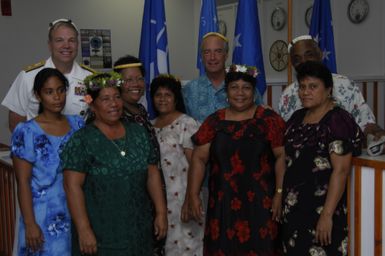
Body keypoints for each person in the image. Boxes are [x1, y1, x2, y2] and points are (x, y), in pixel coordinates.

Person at [61, 72, 167, 255]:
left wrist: (161, 212)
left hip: (138, 229)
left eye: (117, 97)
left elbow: (152, 173)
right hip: (101, 233)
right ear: (92, 104)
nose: (114, 104)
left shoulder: (138, 133)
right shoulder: (82, 140)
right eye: (105, 99)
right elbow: (72, 187)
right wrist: (84, 229)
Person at [187, 64, 286, 255]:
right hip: (223, 206)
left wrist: (279, 193)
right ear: (227, 91)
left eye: (246, 88)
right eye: (234, 87)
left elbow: (282, 156)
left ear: (254, 91)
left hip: (261, 204)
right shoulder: (214, 121)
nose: (240, 93)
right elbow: (199, 159)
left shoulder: (269, 120)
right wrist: (193, 193)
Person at [281, 61, 363, 255]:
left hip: (322, 212)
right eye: (302, 87)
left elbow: (341, 170)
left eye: (313, 86)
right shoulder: (296, 117)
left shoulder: (338, 121)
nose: (305, 92)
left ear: (328, 90)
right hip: (293, 211)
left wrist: (326, 216)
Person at [11, 68, 84, 255]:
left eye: (61, 90)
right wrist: (30, 223)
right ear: (38, 95)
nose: (57, 97)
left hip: (75, 209)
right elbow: (23, 182)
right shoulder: (26, 131)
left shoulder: (78, 124)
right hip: (41, 216)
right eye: (49, 92)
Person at [278, 35, 385, 142]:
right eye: (297, 59)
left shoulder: (345, 85)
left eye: (309, 55)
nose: (304, 61)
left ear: (319, 55)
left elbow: (366, 123)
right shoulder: (287, 95)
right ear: (291, 63)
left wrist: (378, 133)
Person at [113, 55, 166, 256]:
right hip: (129, 202)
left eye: (139, 79)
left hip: (151, 197)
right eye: (128, 80)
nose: (136, 84)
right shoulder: (114, 115)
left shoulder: (141, 111)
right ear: (117, 83)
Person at [2, 18, 94, 132]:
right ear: (50, 45)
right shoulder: (28, 77)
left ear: (77, 44)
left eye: (72, 40)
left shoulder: (91, 78)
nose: (66, 45)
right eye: (59, 40)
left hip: (79, 147)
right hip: (39, 148)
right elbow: (16, 123)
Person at [150, 74, 204, 255]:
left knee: (187, 247)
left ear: (176, 98)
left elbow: (196, 163)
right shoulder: (150, 126)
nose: (163, 99)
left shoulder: (186, 124)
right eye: (158, 95)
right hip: (159, 203)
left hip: (184, 199)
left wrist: (191, 198)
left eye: (168, 95)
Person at [182, 32, 262, 123]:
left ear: (226, 55)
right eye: (207, 52)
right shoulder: (190, 90)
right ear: (202, 57)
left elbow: (261, 116)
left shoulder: (243, 86)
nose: (212, 57)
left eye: (218, 51)